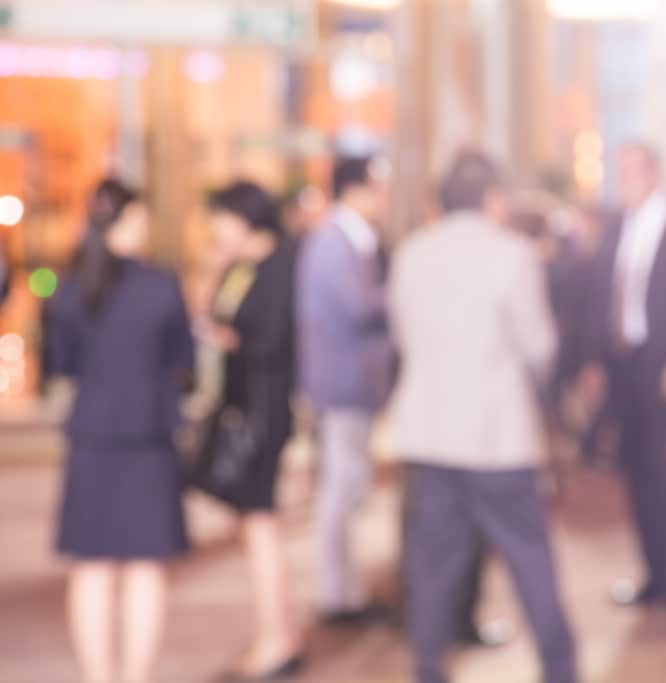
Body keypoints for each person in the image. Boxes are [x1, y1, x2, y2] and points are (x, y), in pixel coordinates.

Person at [389, 150, 577, 683]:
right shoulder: (512, 255)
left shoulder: (412, 254)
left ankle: (428, 667)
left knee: (433, 565)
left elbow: (402, 336)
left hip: (430, 435)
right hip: (498, 438)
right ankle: (559, 669)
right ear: (493, 199)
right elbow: (538, 346)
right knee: (529, 558)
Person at [50, 179, 193, 683]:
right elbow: (183, 361)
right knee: (145, 569)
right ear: (129, 219)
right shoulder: (161, 286)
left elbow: (62, 363)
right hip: (148, 438)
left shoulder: (70, 288)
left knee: (91, 568)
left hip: (91, 438)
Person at [581, 141, 666, 608]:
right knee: (637, 468)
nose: (624, 180)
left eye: (632, 170)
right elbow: (602, 293)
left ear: (654, 171)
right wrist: (595, 360)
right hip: (625, 363)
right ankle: (655, 572)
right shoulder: (617, 225)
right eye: (619, 171)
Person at [200, 181, 303, 681]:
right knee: (252, 524)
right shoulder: (241, 268)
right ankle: (276, 632)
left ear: (246, 218)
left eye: (222, 219)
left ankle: (276, 639)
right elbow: (215, 318)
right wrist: (215, 269)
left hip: (263, 413)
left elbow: (271, 340)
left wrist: (231, 338)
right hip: (241, 407)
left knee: (260, 523)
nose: (216, 229)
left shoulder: (283, 266)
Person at [296, 156, 394, 626]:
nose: (384, 197)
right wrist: (402, 292)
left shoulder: (348, 239)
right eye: (378, 187)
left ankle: (343, 589)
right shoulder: (335, 242)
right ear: (354, 190)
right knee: (341, 488)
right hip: (343, 382)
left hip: (350, 381)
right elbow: (359, 306)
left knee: (347, 487)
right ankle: (337, 594)